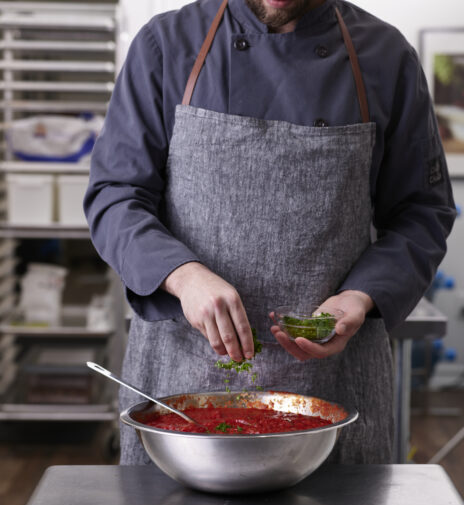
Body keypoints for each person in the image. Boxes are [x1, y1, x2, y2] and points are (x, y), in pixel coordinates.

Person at [84, 0, 456, 465]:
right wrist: (182, 274)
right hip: (181, 388)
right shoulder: (166, 45)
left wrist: (360, 296)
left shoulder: (385, 56)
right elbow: (115, 194)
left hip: (332, 387)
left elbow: (422, 210)